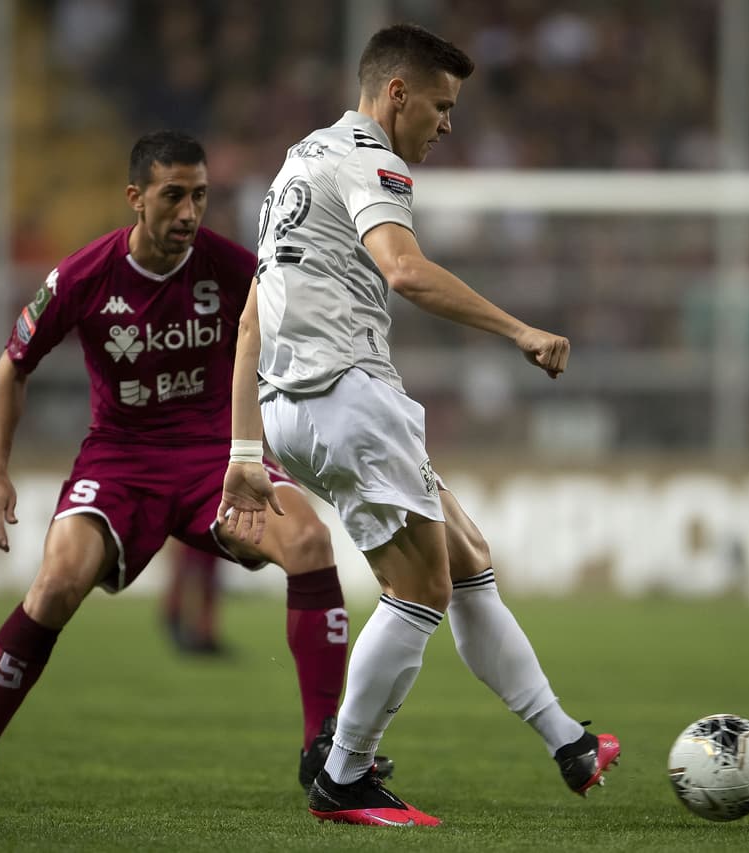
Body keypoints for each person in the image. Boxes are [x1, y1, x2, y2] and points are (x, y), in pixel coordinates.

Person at [218, 23, 620, 828]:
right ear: (394, 94)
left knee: (465, 557)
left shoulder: (297, 166)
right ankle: (344, 775)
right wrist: (520, 331)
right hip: (348, 396)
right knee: (420, 590)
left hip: (296, 405)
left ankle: (568, 740)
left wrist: (246, 446)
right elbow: (404, 270)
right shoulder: (372, 159)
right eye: (440, 106)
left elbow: (252, 322)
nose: (447, 124)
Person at [0, 131, 391, 808]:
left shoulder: (234, 268)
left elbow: (289, 344)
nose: (189, 212)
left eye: (199, 196)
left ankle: (321, 747)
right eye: (173, 195)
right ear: (135, 198)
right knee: (55, 584)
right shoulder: (84, 275)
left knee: (311, 541)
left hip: (214, 459)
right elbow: (11, 369)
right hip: (122, 461)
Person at [162, 539, 226, 655]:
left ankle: (204, 634)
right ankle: (193, 631)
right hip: (199, 535)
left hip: (211, 535)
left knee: (207, 580)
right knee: (194, 576)